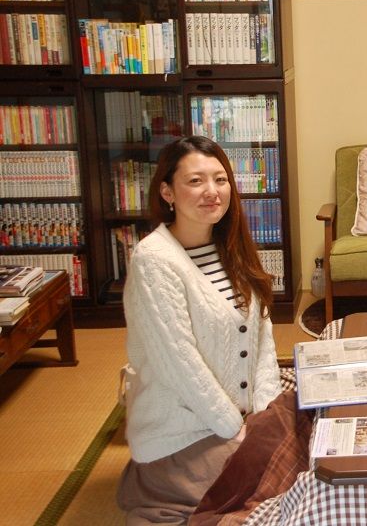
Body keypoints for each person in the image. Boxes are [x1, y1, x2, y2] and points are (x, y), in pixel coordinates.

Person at [117, 136, 281, 524]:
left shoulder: (231, 245)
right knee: (271, 498)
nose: (212, 192)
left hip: (239, 418)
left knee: (305, 447)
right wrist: (236, 430)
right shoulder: (154, 260)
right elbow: (180, 364)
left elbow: (262, 337)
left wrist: (265, 412)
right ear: (167, 192)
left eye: (220, 180)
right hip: (187, 427)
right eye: (195, 181)